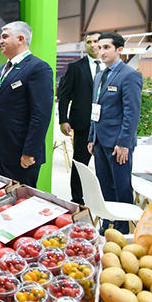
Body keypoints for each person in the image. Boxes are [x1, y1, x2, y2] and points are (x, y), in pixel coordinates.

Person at [0, 21, 54, 187]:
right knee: (0, 197)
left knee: (20, 198)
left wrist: (30, 151)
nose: (0, 41)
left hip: (20, 153)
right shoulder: (0, 69)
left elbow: (41, 115)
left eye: (5, 37)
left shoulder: (38, 68)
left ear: (21, 39)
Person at [88, 32, 142, 235]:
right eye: (99, 47)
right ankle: (108, 221)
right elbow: (95, 109)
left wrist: (124, 143)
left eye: (106, 47)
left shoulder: (129, 75)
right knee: (104, 185)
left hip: (118, 143)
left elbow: (132, 113)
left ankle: (123, 227)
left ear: (119, 49)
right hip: (100, 141)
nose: (101, 51)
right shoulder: (100, 76)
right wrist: (91, 136)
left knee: (121, 186)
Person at [58, 32, 104, 205]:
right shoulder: (76, 67)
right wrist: (64, 119)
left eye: (96, 41)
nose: (93, 45)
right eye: (89, 42)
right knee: (80, 163)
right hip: (83, 122)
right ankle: (77, 199)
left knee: (104, 165)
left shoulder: (110, 67)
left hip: (106, 123)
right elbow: (64, 95)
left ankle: (104, 199)